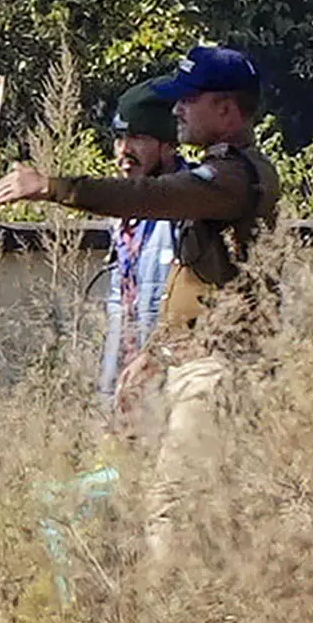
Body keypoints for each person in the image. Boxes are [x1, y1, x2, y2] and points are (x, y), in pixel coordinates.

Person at [0, 43, 281, 560]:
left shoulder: (232, 178)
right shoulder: (217, 174)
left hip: (217, 371)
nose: (177, 111)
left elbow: (155, 198)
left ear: (226, 109)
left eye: (188, 101)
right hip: (189, 365)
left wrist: (54, 187)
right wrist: (152, 357)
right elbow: (193, 292)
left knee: (172, 514)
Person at [92, 85, 183, 420]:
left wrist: (156, 357)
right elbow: (120, 304)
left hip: (174, 381)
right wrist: (108, 388)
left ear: (169, 145)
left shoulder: (188, 205)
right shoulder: (124, 211)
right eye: (119, 139)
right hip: (128, 383)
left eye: (139, 139)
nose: (124, 151)